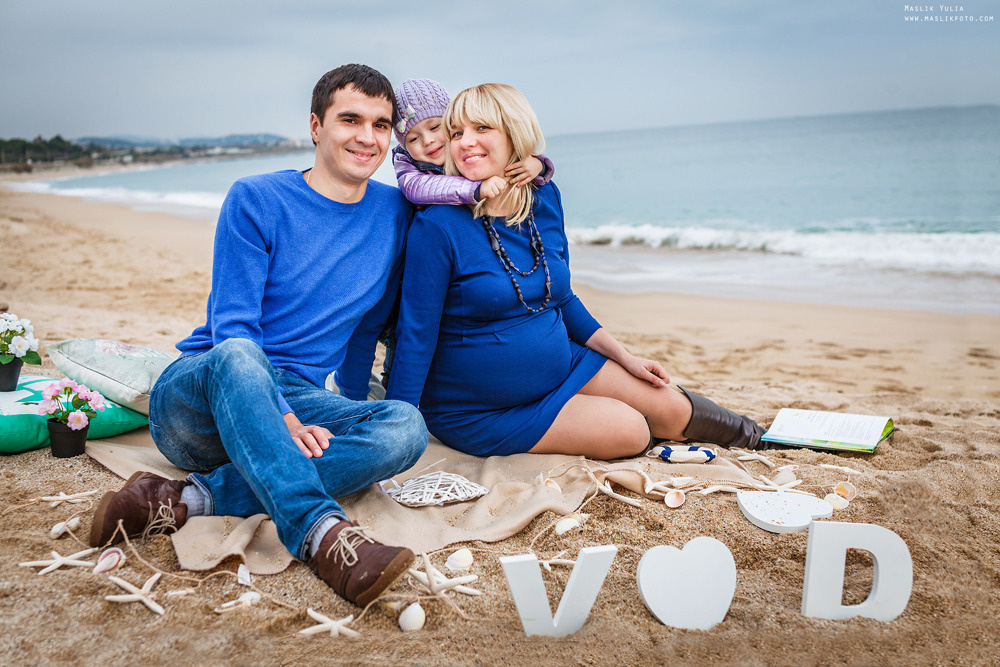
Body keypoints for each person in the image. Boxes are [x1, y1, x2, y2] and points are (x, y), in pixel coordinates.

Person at [88, 64, 429, 608]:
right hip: (206, 390)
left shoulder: (396, 212)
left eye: (381, 125)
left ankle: (182, 501)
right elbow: (233, 328)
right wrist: (284, 419)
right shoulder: (256, 199)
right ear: (316, 126)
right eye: (350, 120)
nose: (367, 137)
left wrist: (531, 167)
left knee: (405, 428)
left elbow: (463, 185)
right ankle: (322, 536)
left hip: (298, 391)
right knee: (245, 354)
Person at [385, 83, 767, 460]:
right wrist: (398, 428)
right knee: (631, 430)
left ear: (514, 133)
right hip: (478, 408)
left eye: (482, 128)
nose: (465, 142)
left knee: (674, 411)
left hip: (565, 366)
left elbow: (561, 297)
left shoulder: (544, 198)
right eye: (457, 132)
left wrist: (625, 357)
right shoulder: (436, 225)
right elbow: (416, 335)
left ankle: (769, 437)